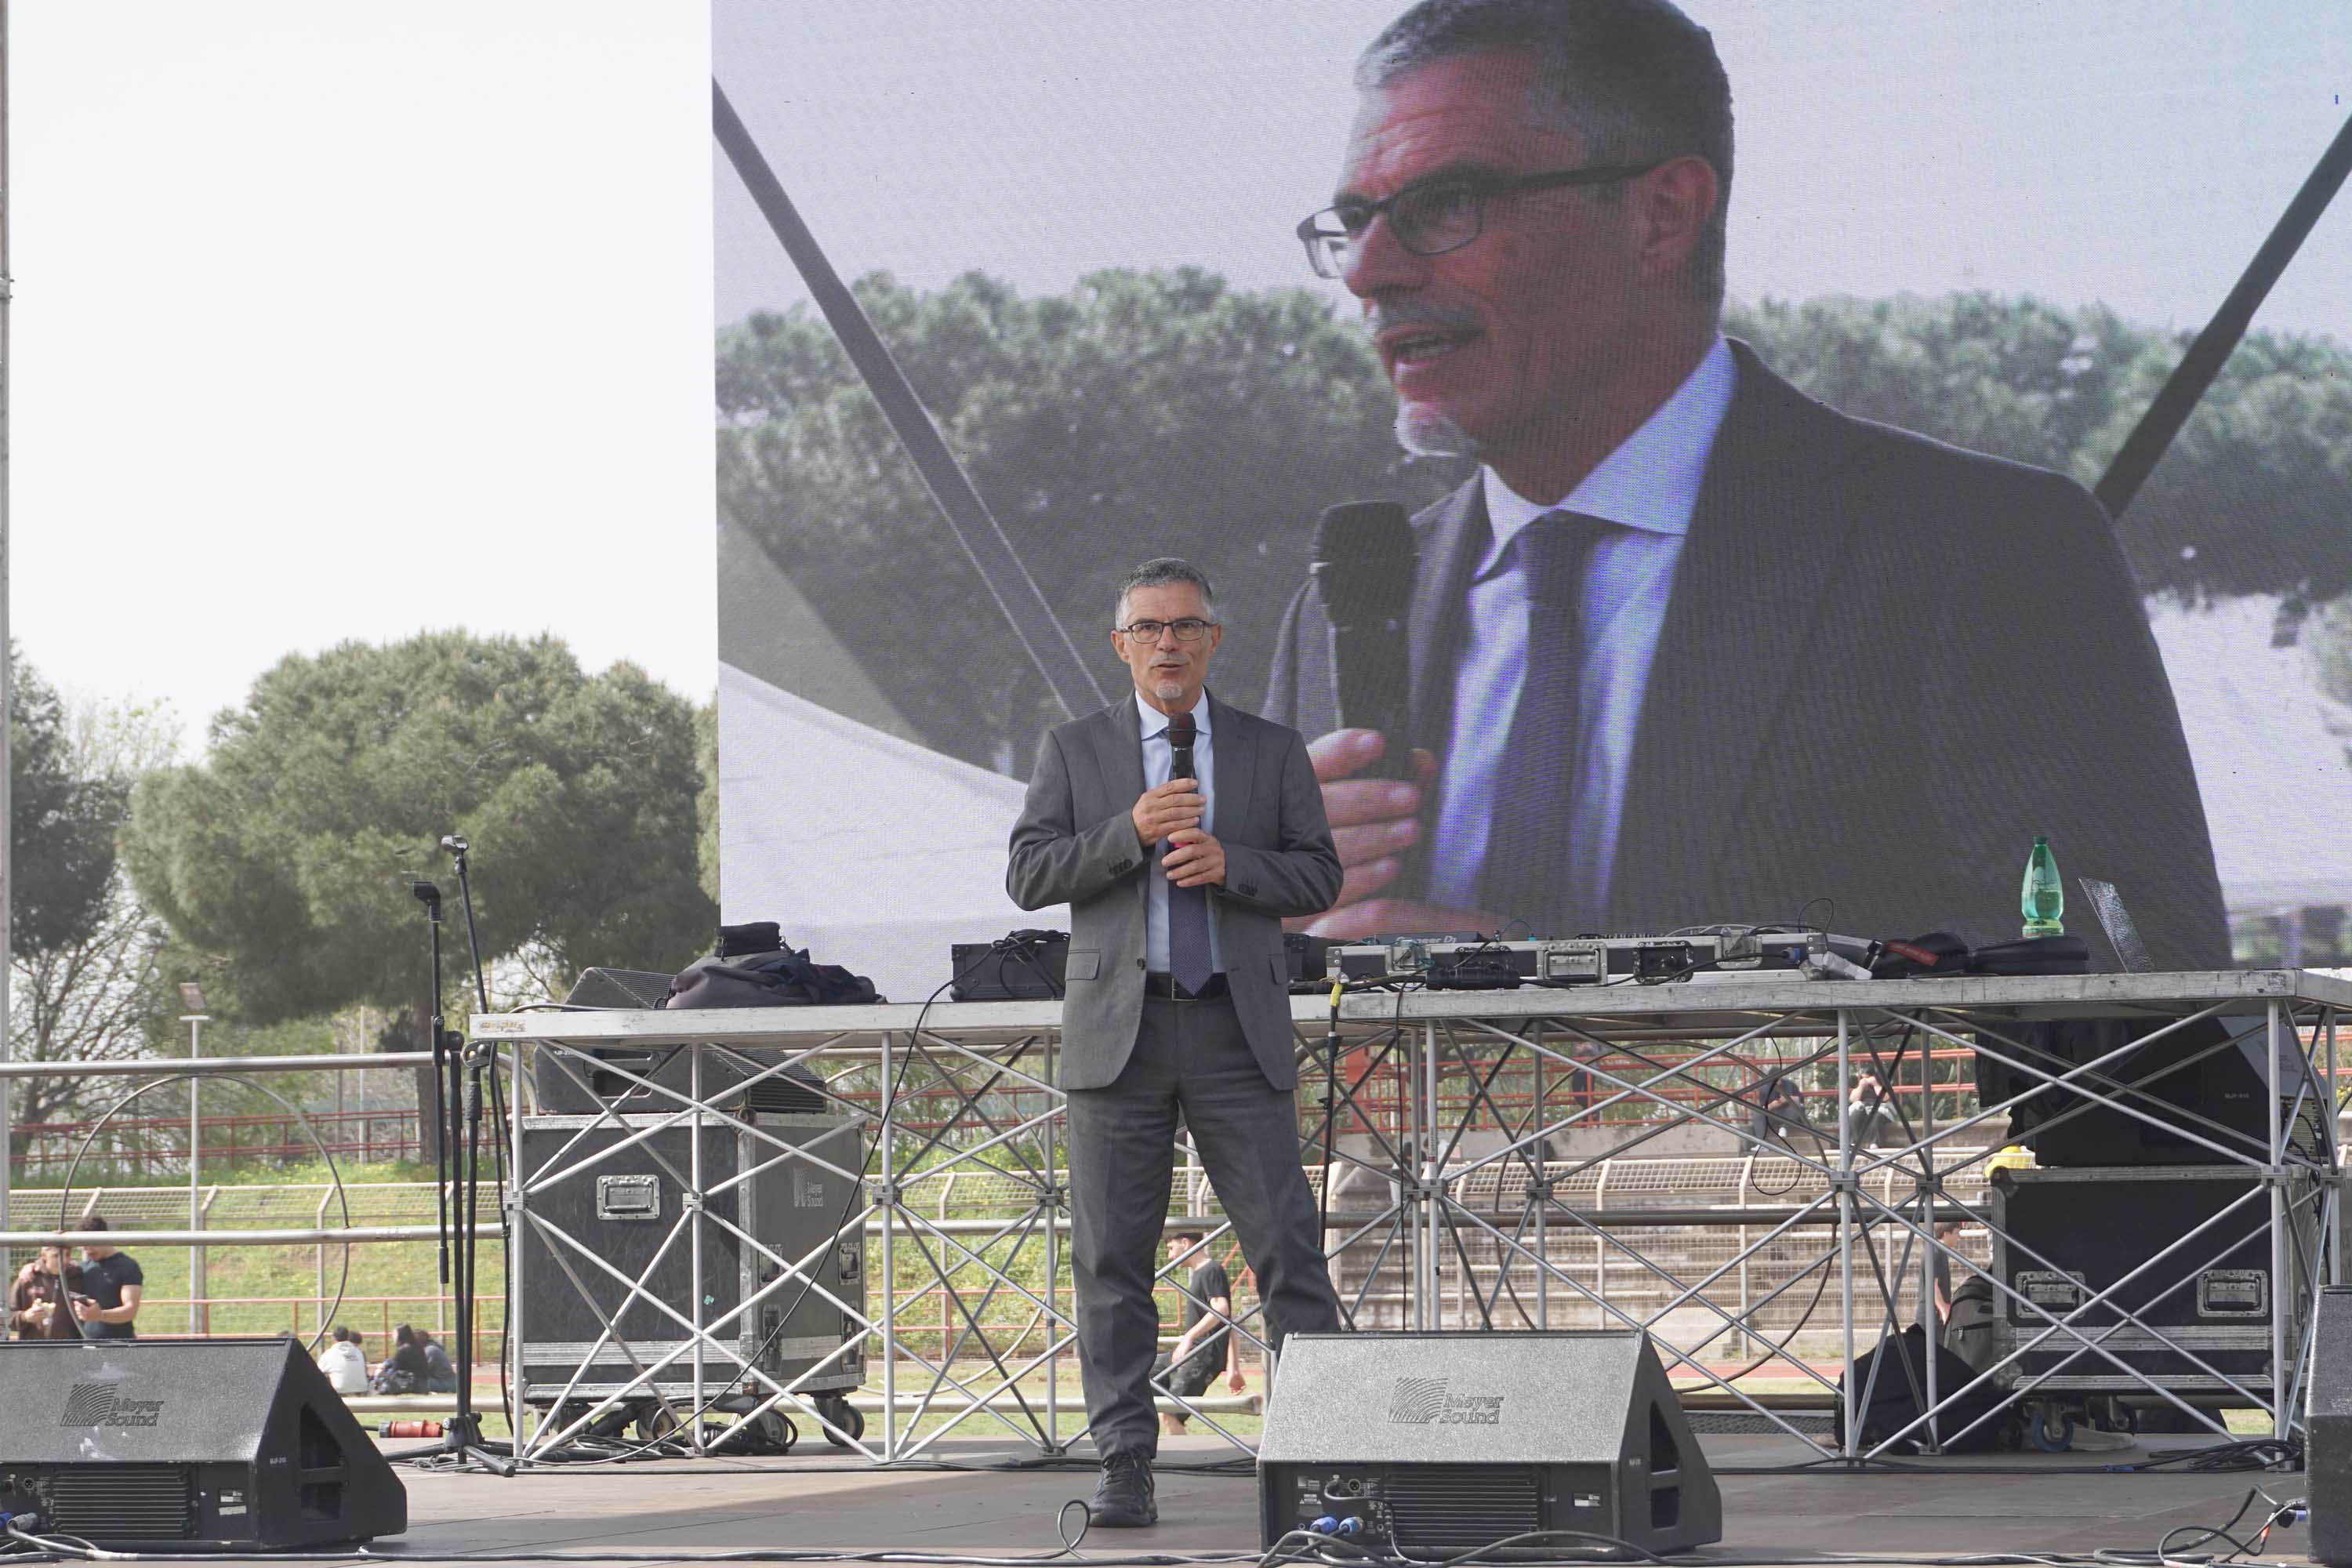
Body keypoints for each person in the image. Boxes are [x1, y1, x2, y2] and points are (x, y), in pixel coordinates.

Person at [1262, 0, 2227, 974]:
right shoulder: (1333, 615)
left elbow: (2137, 1009)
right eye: (1354, 222)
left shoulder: (1983, 554)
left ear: (1662, 215)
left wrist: (1583, 1032)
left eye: (1443, 206)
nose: (1369, 273)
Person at [1007, 557, 1345, 1527]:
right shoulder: (1074, 750)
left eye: (1186, 626)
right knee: (1113, 1261)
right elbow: (1029, 873)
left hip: (1237, 1028)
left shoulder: (1271, 748)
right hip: (1123, 1033)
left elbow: (1319, 875)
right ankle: (1125, 1464)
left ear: (1213, 642)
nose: (1167, 643)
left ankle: (1323, 1459)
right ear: (1121, 645)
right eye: (1148, 627)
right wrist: (1128, 831)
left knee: (1288, 1250)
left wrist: (1237, 865)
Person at [1150, 1232, 1247, 1436]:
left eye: (1171, 1248)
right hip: (1190, 1353)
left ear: (1185, 1244)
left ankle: (1179, 1462)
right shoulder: (1201, 1273)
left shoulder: (1211, 1270)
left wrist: (1189, 1337)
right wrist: (1233, 1368)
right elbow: (1230, 1325)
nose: (1169, 1256)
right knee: (1141, 1374)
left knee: (1171, 1414)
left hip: (1202, 1355)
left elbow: (1222, 1311)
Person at [72, 1216, 143, 1338]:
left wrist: (100, 1315)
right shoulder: (82, 1268)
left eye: (90, 1244)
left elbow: (130, 1310)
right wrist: (32, 1266)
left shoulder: (128, 1266)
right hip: (86, 1345)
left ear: (104, 1237)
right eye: (83, 1245)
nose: (86, 1250)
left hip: (119, 1345)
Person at [9, 1245, 88, 1340]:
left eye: (67, 1255)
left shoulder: (77, 1277)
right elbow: (7, 1316)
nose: (64, 1261)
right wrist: (25, 1316)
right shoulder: (28, 1279)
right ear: (44, 1255)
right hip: (33, 1347)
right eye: (56, 1256)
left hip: (68, 1347)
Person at [372, 1323, 431, 1395]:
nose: (392, 1336)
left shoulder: (403, 1350)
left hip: (410, 1386)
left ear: (401, 1334)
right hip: (423, 1385)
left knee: (373, 1382)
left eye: (394, 1334)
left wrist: (380, 1373)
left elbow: (394, 1373)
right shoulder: (418, 1347)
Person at [318, 1325, 370, 1393]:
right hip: (362, 1390)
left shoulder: (328, 1354)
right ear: (348, 1337)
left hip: (340, 1392)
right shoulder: (359, 1352)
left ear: (333, 1338)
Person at [1844, 1074, 1893, 1148]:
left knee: (1877, 1117)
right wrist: (1861, 1086)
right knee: (1855, 1115)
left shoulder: (1880, 1084)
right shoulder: (1859, 1086)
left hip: (1879, 1108)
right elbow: (1853, 1099)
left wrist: (1875, 1084)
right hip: (1862, 1107)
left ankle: (1875, 1143)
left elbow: (1885, 1098)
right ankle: (1855, 1142)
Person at [419, 1330, 459, 1395]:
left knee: (415, 1382)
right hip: (446, 1382)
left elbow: (421, 1371)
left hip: (448, 1384)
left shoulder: (430, 1350)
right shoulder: (430, 1349)